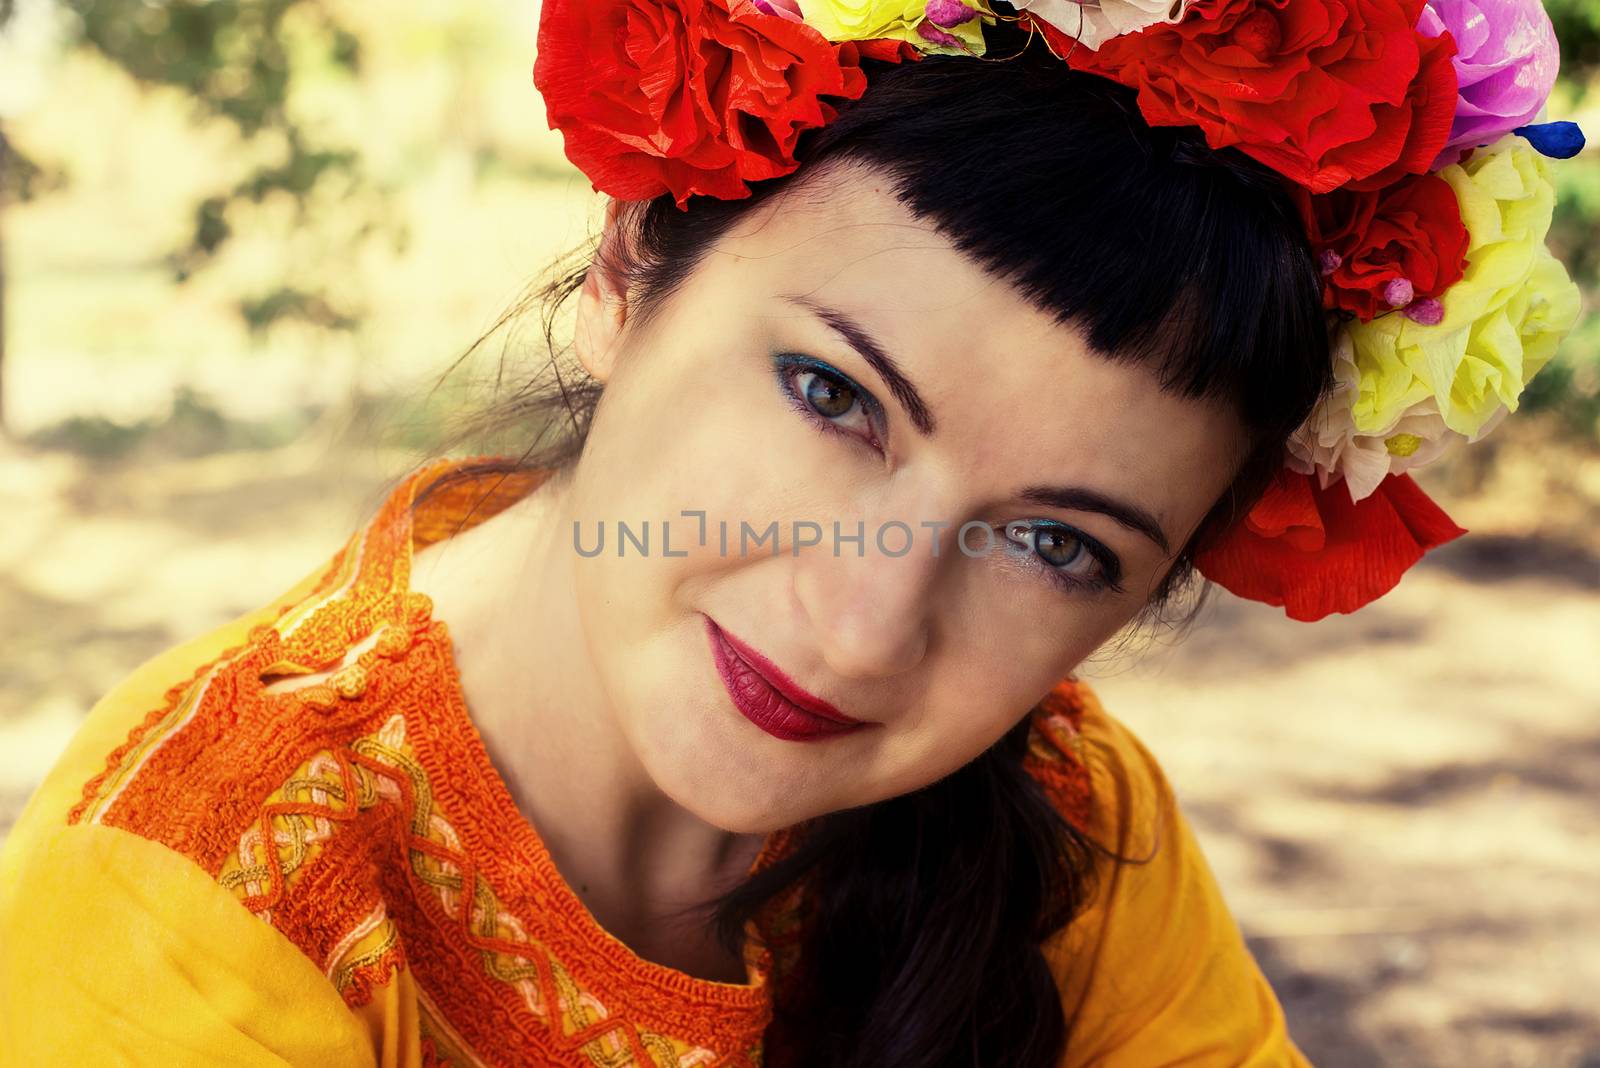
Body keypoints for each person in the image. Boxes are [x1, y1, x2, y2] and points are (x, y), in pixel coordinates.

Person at [0, 2, 1582, 1066]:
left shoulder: (1069, 827)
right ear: (630, 266)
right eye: (834, 395)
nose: (863, 628)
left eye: (1058, 545)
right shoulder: (189, 898)